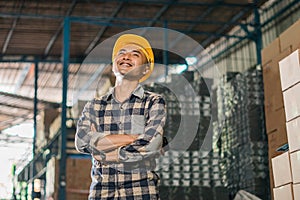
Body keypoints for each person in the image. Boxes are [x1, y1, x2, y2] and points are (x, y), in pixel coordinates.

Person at [75, 33, 166, 200]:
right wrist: (134, 137)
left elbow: (152, 143)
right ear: (113, 64)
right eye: (122, 52)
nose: (126, 57)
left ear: (145, 69)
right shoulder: (94, 106)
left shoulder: (153, 102)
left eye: (135, 54)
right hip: (101, 193)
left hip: (141, 192)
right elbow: (82, 141)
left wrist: (106, 154)